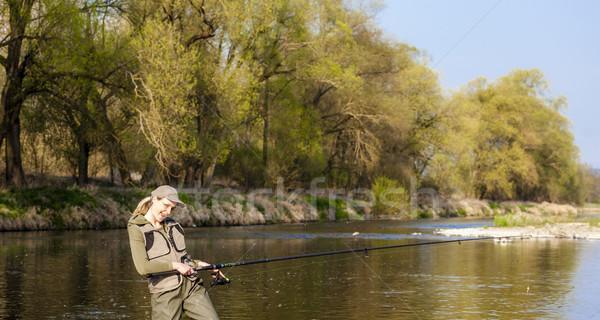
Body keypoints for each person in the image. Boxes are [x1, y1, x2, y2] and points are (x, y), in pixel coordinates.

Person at [128, 185, 221, 320]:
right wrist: (176, 266)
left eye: (172, 208)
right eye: (166, 205)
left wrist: (202, 264)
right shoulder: (137, 228)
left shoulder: (172, 225)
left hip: (191, 286)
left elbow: (183, 259)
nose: (168, 212)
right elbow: (142, 267)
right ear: (154, 199)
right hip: (165, 293)